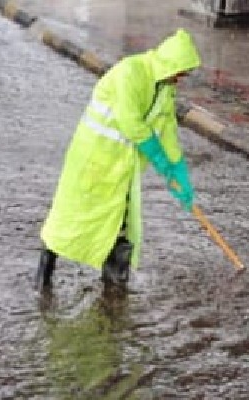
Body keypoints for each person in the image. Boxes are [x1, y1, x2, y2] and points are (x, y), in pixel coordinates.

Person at [35, 29, 201, 291]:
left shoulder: (164, 88)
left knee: (121, 223)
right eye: (181, 72)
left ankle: (114, 284)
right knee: (70, 217)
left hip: (122, 167)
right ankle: (45, 272)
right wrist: (159, 160)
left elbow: (167, 129)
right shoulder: (130, 72)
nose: (181, 79)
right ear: (170, 65)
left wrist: (178, 173)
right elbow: (131, 123)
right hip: (93, 159)